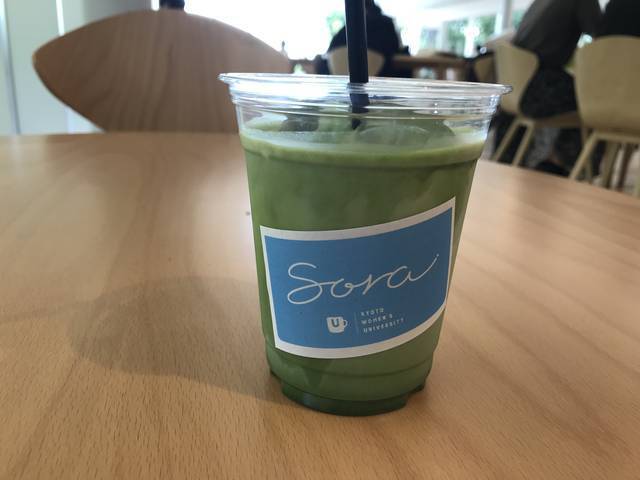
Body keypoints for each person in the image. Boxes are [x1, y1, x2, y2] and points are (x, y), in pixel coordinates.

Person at [499, 0, 602, 175]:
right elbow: (604, 38)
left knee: (584, 92)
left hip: (518, 85)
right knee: (595, 98)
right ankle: (565, 166)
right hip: (540, 87)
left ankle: (554, 161)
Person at [326, 0, 410, 78]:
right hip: (382, 81)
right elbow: (396, 49)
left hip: (341, 83)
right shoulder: (386, 24)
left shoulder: (348, 28)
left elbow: (330, 53)